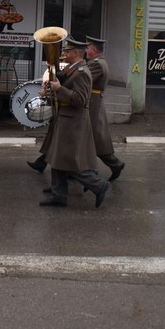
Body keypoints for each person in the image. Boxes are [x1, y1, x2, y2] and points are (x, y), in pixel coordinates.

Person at [39, 38, 110, 208]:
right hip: (65, 118)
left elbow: (80, 99)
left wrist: (59, 89)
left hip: (73, 121)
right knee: (57, 158)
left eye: (67, 51)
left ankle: (99, 185)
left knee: (68, 161)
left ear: (77, 53)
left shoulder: (82, 73)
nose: (64, 53)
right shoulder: (73, 69)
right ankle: (59, 194)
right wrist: (48, 93)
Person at [85, 36, 125, 180]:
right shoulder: (98, 62)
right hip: (93, 101)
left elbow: (84, 80)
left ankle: (114, 164)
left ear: (94, 50)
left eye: (87, 48)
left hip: (92, 103)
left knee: (94, 138)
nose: (85, 50)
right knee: (92, 137)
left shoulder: (97, 64)